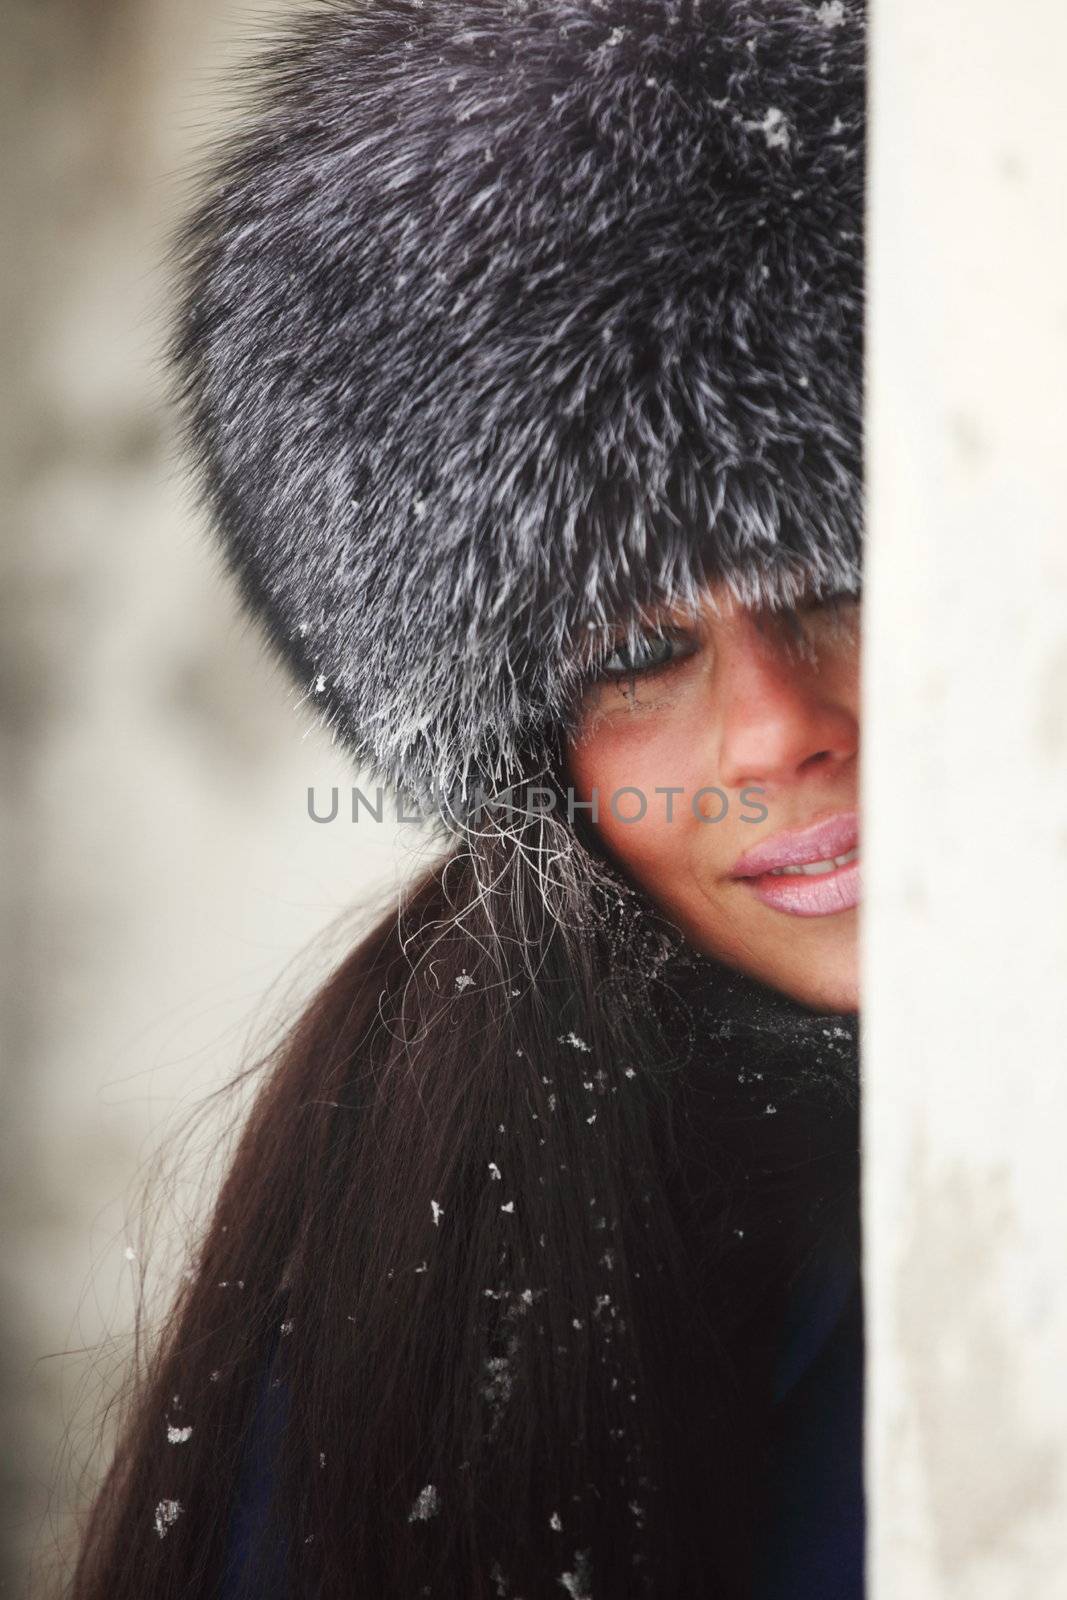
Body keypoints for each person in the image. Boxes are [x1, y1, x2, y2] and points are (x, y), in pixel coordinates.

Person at [69, 0, 866, 1596]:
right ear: (533, 763)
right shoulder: (447, 1208)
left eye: (845, 579)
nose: (774, 731)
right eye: (637, 651)